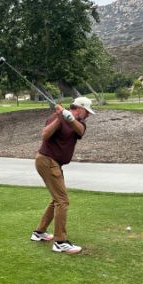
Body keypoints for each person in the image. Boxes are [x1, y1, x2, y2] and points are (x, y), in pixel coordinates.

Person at [31, 97, 91, 254]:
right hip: (47, 160)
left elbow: (80, 131)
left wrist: (69, 118)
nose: (88, 115)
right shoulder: (56, 117)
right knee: (62, 201)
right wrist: (59, 118)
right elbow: (44, 135)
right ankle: (60, 242)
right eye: (87, 111)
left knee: (56, 200)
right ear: (79, 108)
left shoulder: (80, 123)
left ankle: (39, 232)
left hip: (54, 163)